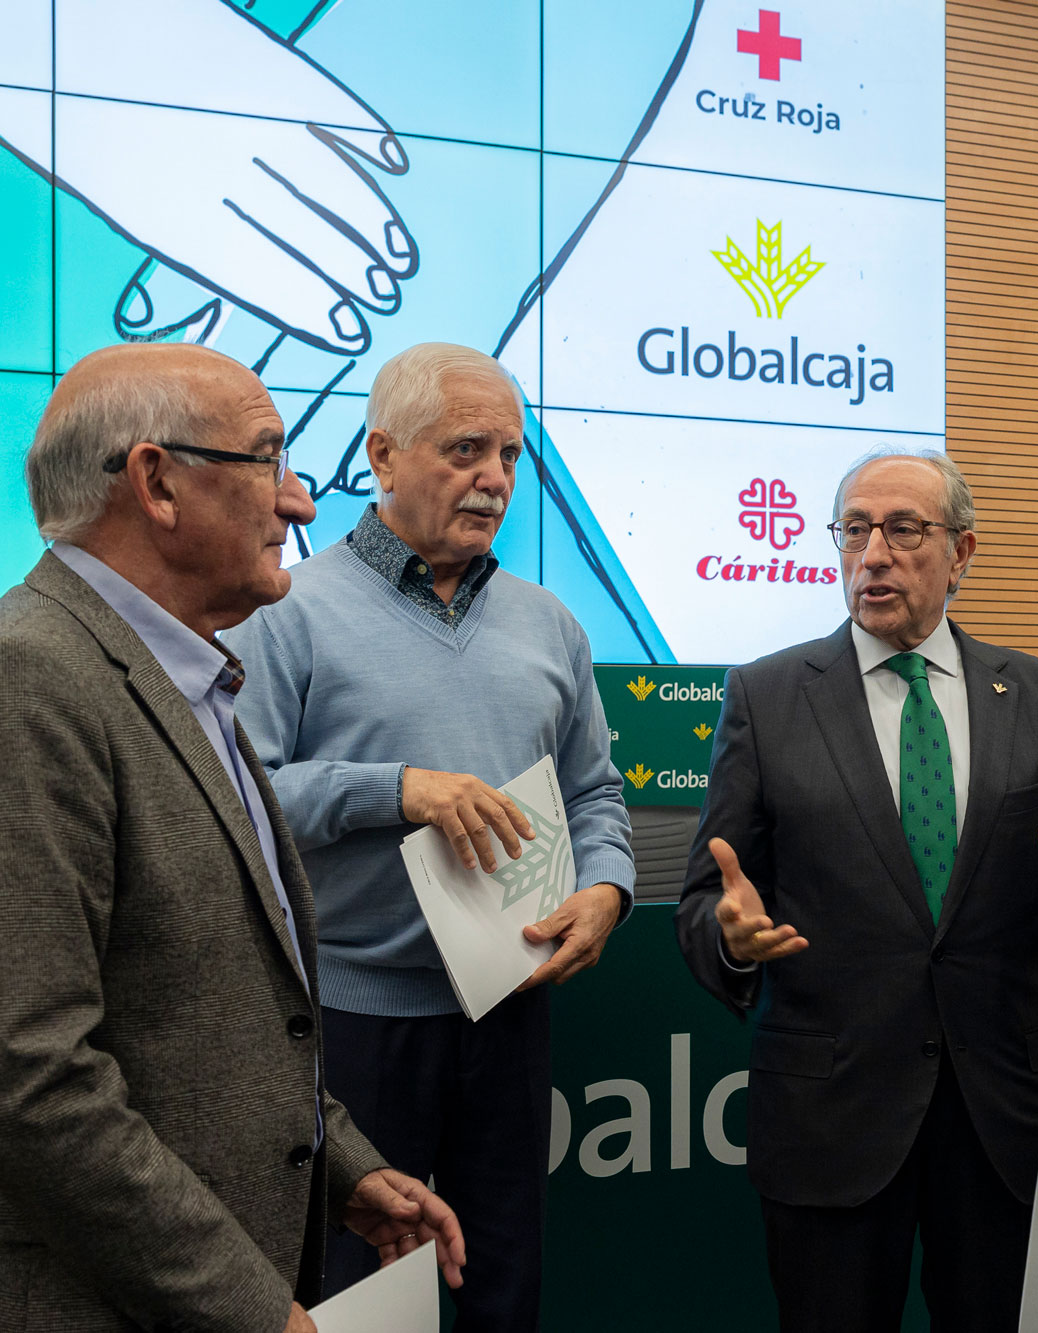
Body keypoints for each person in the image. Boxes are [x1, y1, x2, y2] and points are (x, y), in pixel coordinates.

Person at [0, 342, 465, 1333]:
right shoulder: (18, 687)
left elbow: (212, 1014)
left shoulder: (189, 681)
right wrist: (258, 1310)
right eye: (269, 459)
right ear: (157, 482)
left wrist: (342, 1165)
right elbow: (30, 1083)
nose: (300, 502)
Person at [226, 342, 634, 1329]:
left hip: (509, 1005)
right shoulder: (288, 612)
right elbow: (234, 798)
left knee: (502, 1286)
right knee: (364, 1298)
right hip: (348, 1023)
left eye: (508, 454)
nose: (492, 477)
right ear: (382, 454)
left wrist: (607, 890)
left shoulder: (551, 625)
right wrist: (394, 790)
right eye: (464, 448)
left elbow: (595, 794)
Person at [676, 449, 1038, 1332]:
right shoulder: (766, 696)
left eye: (903, 529)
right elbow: (703, 899)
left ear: (961, 552)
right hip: (830, 1118)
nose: (873, 553)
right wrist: (730, 938)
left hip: (1004, 1118)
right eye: (854, 529)